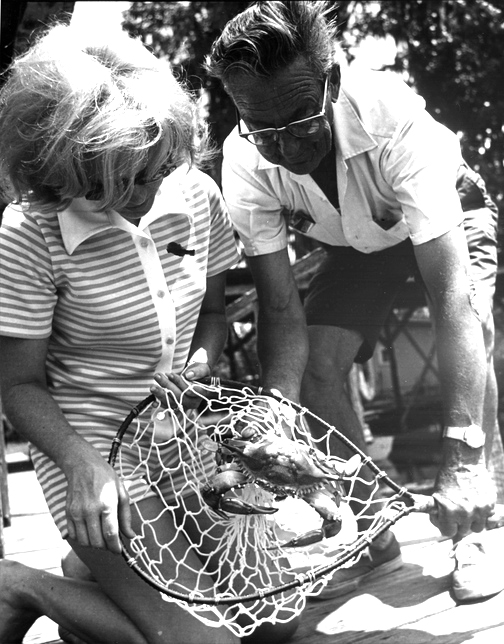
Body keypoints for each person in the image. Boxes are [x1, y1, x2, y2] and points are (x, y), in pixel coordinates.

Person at [206, 0, 504, 603]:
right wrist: (276, 421)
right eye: (262, 128)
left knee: (475, 327)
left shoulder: (391, 116)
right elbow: (280, 310)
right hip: (354, 242)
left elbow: (450, 299)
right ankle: (372, 530)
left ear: (332, 80)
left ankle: (473, 528)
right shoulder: (243, 160)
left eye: (300, 120)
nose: (288, 149)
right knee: (320, 365)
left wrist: (459, 454)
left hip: (445, 214)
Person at [0, 24, 299, 644]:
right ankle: (19, 584)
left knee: (274, 625)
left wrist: (199, 360)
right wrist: (84, 465)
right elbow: (18, 385)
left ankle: (95, 578)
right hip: (94, 461)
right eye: (121, 178)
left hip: (185, 445)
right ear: (66, 161)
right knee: (201, 643)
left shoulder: (193, 191)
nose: (147, 193)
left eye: (156, 169)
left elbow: (213, 315)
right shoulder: (28, 234)